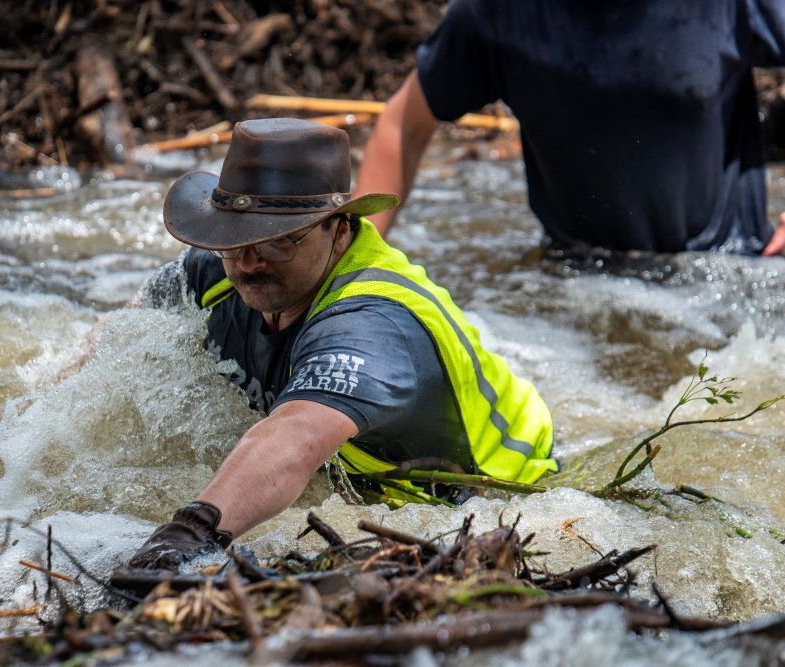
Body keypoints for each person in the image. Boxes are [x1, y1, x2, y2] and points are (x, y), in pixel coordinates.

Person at [124, 118, 557, 571]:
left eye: (277, 242)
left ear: (339, 228)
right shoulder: (214, 266)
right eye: (233, 238)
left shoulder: (374, 322)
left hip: (495, 500)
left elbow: (296, 438)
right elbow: (121, 335)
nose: (248, 263)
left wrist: (186, 536)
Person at [354, 0, 785, 256]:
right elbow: (402, 126)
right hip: (574, 278)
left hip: (727, 273)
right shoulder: (500, 12)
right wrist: (352, 267)